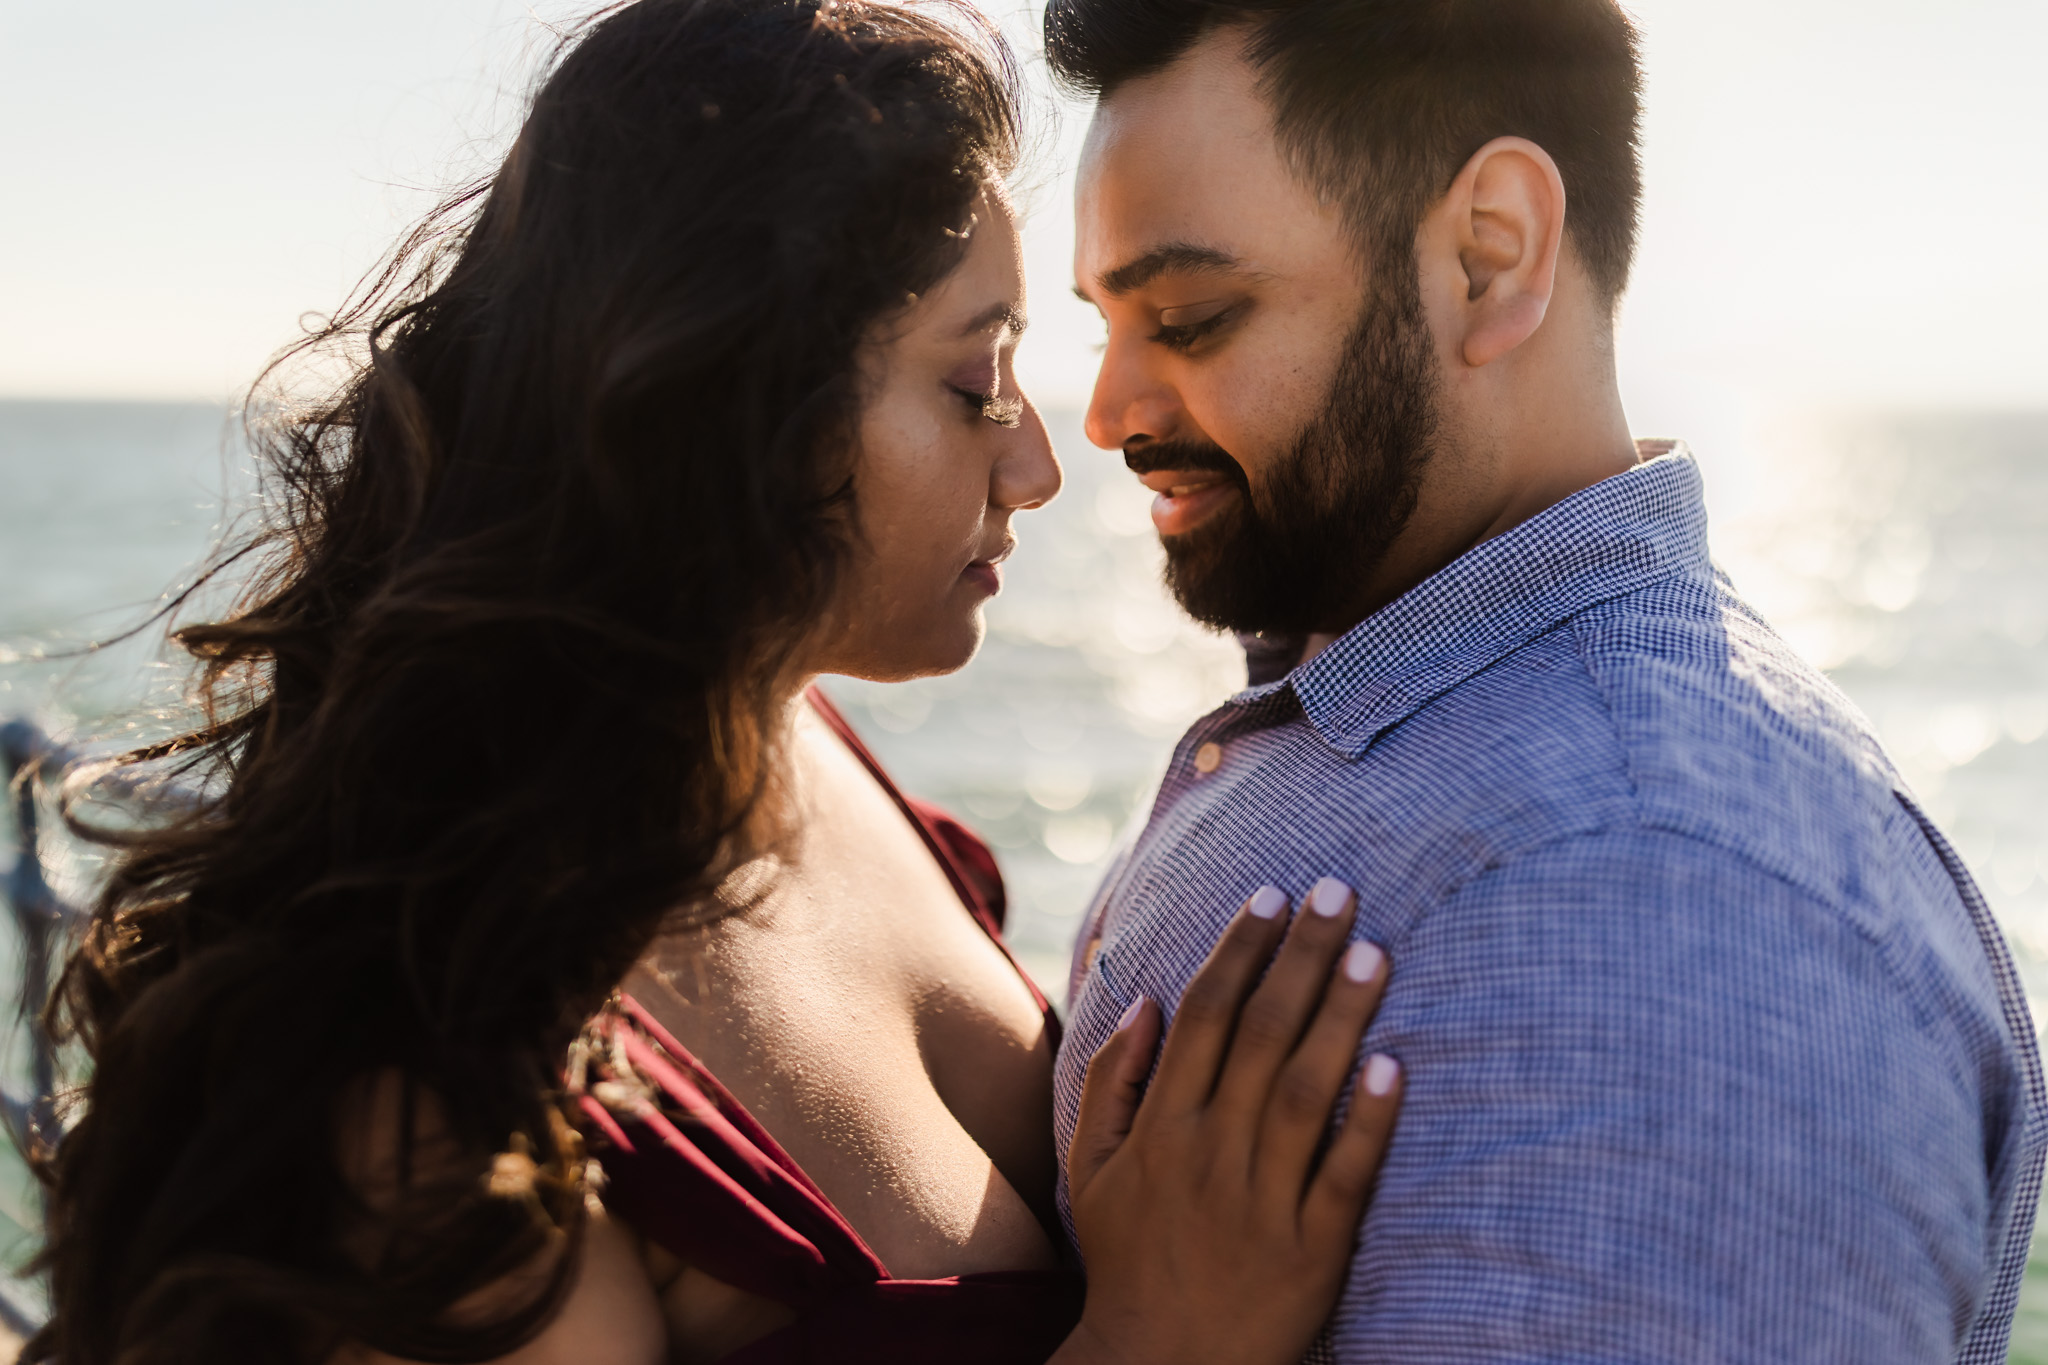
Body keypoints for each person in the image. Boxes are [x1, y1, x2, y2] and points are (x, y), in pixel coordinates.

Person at [25, 3, 1406, 1363]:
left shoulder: (788, 743)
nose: (1038, 465)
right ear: (741, 401)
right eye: (978, 381)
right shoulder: (433, 1086)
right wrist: (1161, 1342)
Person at [1047, 0, 2045, 1360]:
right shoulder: (1389, 696)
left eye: (1193, 316)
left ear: (1489, 256)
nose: (1108, 412)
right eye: (1106, 323)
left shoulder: (1663, 916)